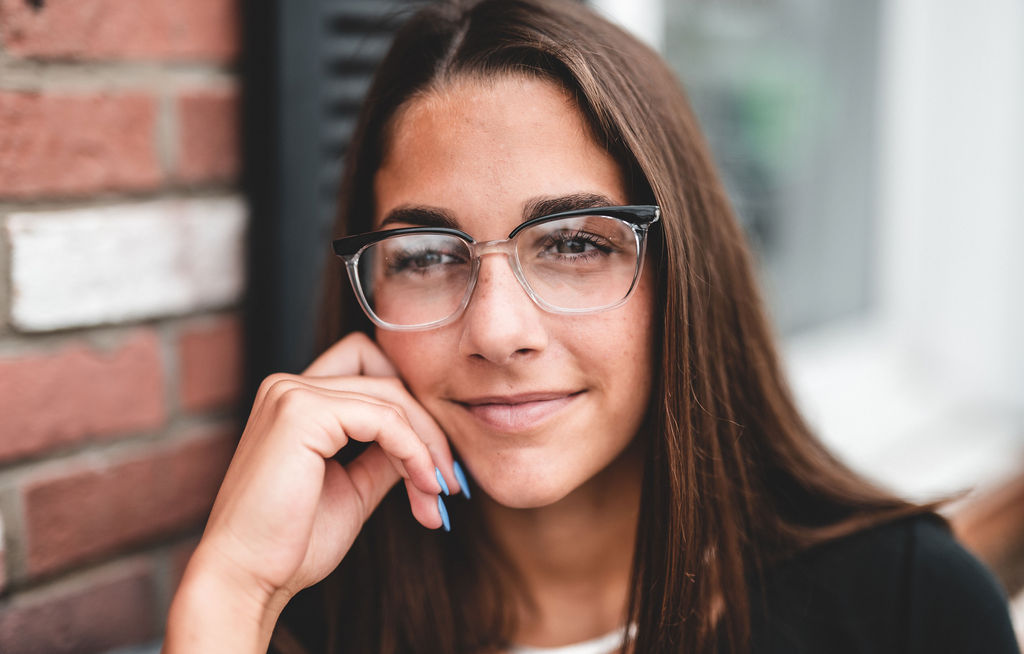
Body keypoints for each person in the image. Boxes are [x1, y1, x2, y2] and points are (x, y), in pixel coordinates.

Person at [164, 1, 1021, 652]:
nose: (498, 332)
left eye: (575, 242)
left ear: (685, 272)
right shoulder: (309, 613)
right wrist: (232, 594)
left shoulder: (908, 610)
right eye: (426, 255)